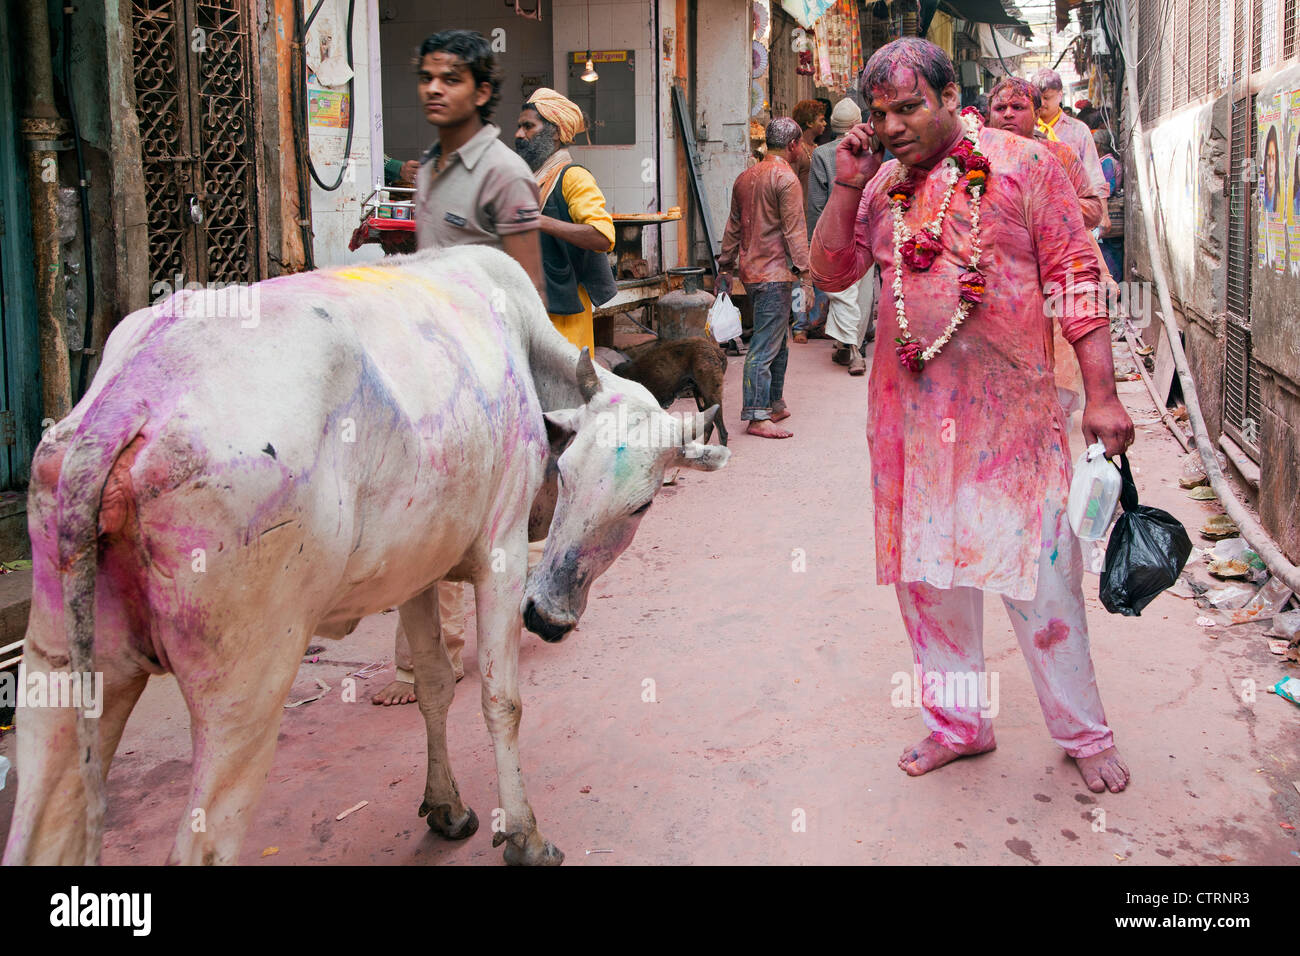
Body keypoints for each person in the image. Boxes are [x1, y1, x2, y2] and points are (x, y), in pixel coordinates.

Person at [811, 37, 1134, 794]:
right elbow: (830, 274)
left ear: (953, 95)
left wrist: (1103, 394)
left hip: (1012, 426)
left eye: (909, 107)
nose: (892, 127)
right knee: (928, 579)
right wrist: (842, 187)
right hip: (910, 426)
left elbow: (1077, 280)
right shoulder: (881, 183)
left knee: (1041, 582)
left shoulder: (1027, 167)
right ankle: (960, 726)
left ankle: (1083, 733)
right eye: (881, 113)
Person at [373, 28, 543, 705]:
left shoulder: (504, 173)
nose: (434, 90)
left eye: (451, 79)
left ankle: (425, 665)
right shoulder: (430, 167)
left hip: (482, 377)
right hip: (429, 364)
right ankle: (529, 591)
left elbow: (524, 290)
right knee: (442, 518)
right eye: (427, 77)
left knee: (445, 521)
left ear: (482, 90)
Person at [716, 118, 811, 440]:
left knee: (776, 340)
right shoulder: (786, 178)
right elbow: (795, 232)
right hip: (773, 273)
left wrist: (725, 267)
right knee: (764, 345)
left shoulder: (745, 177)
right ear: (794, 145)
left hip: (752, 272)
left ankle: (775, 402)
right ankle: (757, 415)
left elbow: (732, 226)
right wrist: (807, 276)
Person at [513, 88, 617, 354]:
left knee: (568, 387)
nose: (519, 134)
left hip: (564, 314)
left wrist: (541, 222)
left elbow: (602, 236)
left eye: (528, 127)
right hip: (531, 305)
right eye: (519, 127)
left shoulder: (573, 177)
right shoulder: (532, 180)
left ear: (556, 132)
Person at [808, 97, 875, 375]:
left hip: (835, 232)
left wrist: (815, 239)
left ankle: (851, 348)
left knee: (841, 292)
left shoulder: (822, 154)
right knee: (860, 292)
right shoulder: (869, 152)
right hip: (865, 229)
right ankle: (851, 345)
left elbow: (815, 203)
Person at [1030, 68, 1109, 206]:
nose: (1042, 103)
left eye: (1047, 98)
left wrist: (1103, 212)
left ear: (1060, 95)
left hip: (1073, 208)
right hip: (1034, 208)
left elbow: (1093, 173)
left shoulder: (1078, 130)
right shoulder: (1026, 128)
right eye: (1038, 98)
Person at [790, 99, 827, 342]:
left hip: (817, 218)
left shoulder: (815, 150)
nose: (824, 123)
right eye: (821, 119)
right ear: (809, 122)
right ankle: (800, 325)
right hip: (801, 218)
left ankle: (815, 321)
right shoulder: (798, 152)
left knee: (820, 272)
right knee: (799, 274)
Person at [1094, 128, 1124, 283]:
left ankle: (1114, 289)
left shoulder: (1107, 163)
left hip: (1109, 214)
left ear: (1098, 145)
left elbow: (1107, 188)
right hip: (1108, 215)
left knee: (1110, 255)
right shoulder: (1108, 161)